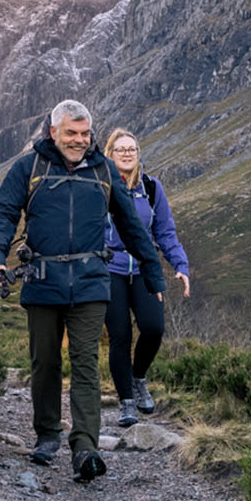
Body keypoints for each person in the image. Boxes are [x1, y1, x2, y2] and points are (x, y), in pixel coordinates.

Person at [0, 100, 166, 483]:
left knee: (85, 364)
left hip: (90, 282)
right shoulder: (28, 168)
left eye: (85, 134)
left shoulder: (102, 169)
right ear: (53, 131)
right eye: (71, 133)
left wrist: (153, 272)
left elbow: (130, 224)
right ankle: (47, 434)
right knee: (45, 362)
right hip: (42, 279)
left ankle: (85, 447)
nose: (79, 141)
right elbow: (3, 213)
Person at [100, 129, 190, 427]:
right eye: (120, 149)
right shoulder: (99, 186)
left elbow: (165, 231)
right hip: (109, 268)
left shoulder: (151, 188)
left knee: (153, 328)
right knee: (120, 336)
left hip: (142, 267)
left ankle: (138, 378)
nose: (127, 153)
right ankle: (126, 403)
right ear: (109, 155)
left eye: (132, 149)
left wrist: (180, 265)